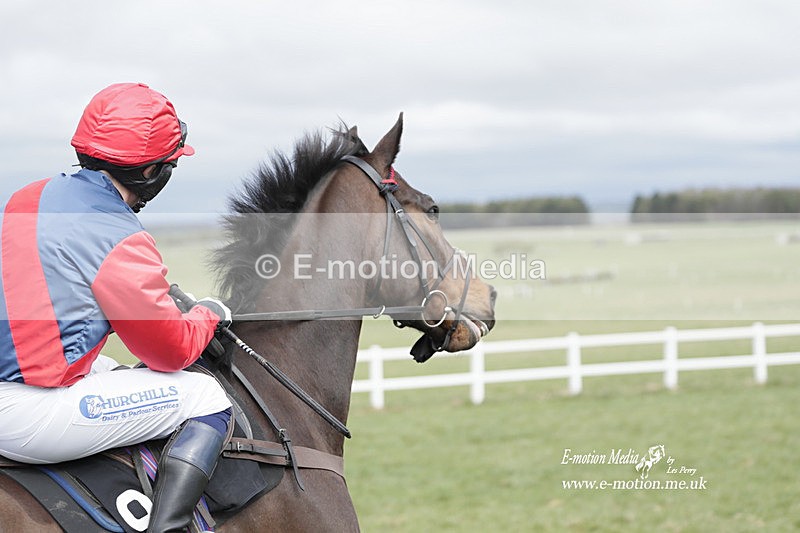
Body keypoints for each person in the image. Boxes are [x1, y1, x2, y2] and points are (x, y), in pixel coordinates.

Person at [0, 83, 233, 532]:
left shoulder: (26, 198)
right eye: (169, 164)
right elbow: (168, 353)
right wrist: (208, 313)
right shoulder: (119, 233)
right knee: (205, 395)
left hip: (24, 376)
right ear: (151, 173)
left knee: (113, 367)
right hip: (27, 412)